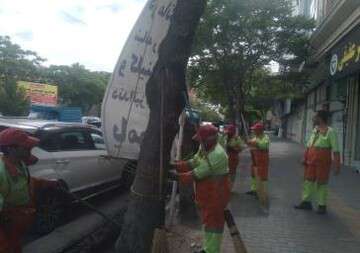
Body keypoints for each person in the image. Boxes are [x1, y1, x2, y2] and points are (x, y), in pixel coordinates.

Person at [0, 128, 60, 253]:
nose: (30, 149)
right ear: (11, 149)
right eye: (26, 147)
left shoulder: (19, 163)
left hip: (15, 227)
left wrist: (47, 183)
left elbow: (25, 181)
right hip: (7, 227)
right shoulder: (1, 172)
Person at [175, 124, 230, 253]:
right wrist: (175, 166)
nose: (199, 142)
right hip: (207, 196)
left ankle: (212, 251)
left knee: (214, 227)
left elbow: (196, 174)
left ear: (210, 140)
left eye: (201, 140)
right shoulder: (204, 148)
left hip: (217, 197)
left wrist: (173, 176)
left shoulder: (218, 154)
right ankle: (207, 248)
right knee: (207, 224)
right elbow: (194, 162)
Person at [294, 110, 340, 214]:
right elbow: (309, 146)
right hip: (311, 161)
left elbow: (336, 150)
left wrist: (337, 165)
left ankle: (322, 205)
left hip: (323, 162)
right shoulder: (315, 130)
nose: (313, 119)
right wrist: (304, 158)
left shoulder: (330, 131)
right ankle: (306, 202)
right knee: (308, 181)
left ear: (320, 118)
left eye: (315, 117)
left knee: (321, 183)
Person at [246, 122, 270, 196]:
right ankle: (254, 190)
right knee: (253, 175)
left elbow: (264, 145)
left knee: (261, 176)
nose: (253, 131)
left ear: (259, 130)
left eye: (255, 130)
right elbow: (251, 144)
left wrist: (254, 143)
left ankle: (261, 192)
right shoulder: (255, 137)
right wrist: (248, 143)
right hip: (255, 159)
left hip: (262, 161)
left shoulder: (265, 138)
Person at [220, 124, 243, 189]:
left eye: (230, 132)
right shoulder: (225, 137)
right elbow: (220, 144)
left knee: (232, 172)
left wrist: (234, 147)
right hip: (225, 156)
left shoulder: (236, 138)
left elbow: (241, 148)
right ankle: (225, 186)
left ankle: (230, 187)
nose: (228, 134)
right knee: (224, 172)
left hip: (233, 157)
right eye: (228, 132)